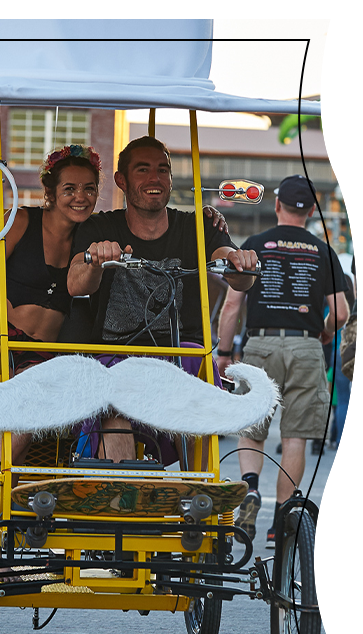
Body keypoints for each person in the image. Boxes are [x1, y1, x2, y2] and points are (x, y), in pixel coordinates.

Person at [0, 144, 102, 534]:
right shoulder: (19, 222)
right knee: (9, 398)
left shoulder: (93, 235)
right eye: (70, 189)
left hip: (42, 352)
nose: (80, 197)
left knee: (31, 404)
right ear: (50, 192)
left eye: (89, 188)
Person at [67, 136, 258, 466]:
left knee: (201, 385)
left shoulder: (197, 226)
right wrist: (95, 259)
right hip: (118, 355)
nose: (155, 179)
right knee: (114, 403)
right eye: (143, 170)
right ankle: (127, 498)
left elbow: (233, 271)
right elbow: (74, 283)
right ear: (122, 181)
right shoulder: (100, 227)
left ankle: (199, 494)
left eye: (163, 170)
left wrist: (240, 262)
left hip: (182, 354)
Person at [216, 174, 350, 547]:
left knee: (251, 427)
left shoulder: (254, 245)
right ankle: (280, 522)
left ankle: (252, 489)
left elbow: (231, 306)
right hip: (306, 348)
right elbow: (340, 312)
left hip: (260, 345)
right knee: (295, 436)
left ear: (277, 206)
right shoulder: (324, 251)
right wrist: (323, 334)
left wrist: (226, 353)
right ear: (310, 211)